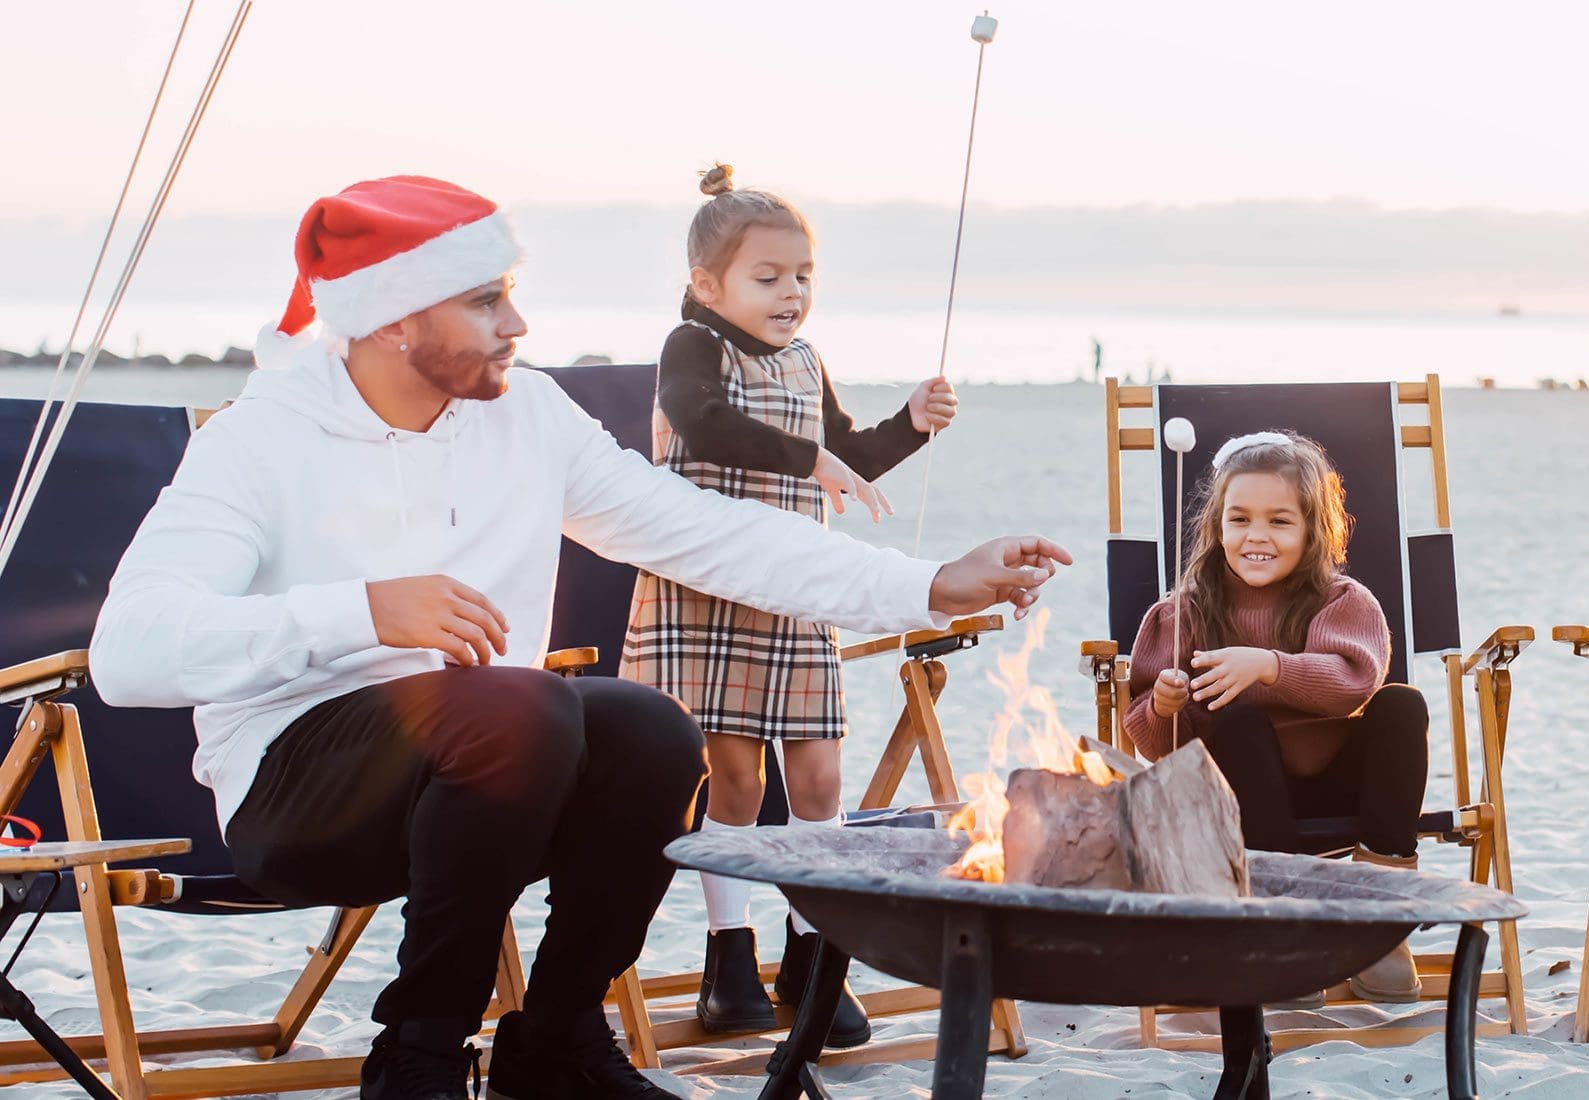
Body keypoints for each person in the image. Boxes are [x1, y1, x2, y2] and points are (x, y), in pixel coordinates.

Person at [84, 176, 1071, 1100]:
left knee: (650, 727)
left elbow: (705, 533)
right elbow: (127, 650)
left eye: (511, 294)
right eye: (485, 301)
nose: (517, 325)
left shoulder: (527, 416)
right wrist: (361, 611)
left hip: (492, 787)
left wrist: (929, 583)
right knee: (517, 703)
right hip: (301, 797)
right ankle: (419, 1053)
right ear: (392, 319)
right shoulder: (259, 440)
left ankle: (555, 1038)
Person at [615, 164, 960, 1041]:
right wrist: (811, 460)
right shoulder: (693, 348)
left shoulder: (807, 361)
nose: (792, 294)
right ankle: (728, 957)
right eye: (768, 278)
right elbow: (701, 422)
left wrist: (911, 425)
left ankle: (812, 956)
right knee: (736, 779)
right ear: (707, 284)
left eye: (803, 276)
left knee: (818, 778)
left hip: (798, 590)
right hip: (706, 590)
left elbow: (849, 458)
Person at [1123, 431, 1427, 1003]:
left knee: (1402, 705)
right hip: (1243, 799)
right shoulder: (1183, 613)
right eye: (1239, 519)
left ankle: (1378, 917)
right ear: (1217, 527)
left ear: (1313, 530)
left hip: (1334, 785)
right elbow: (1157, 745)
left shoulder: (1343, 602)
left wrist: (1270, 667)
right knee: (1240, 723)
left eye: (1280, 521)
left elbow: (1352, 686)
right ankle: (1282, 927)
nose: (1256, 536)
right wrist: (1164, 705)